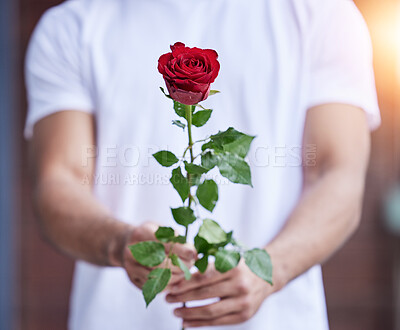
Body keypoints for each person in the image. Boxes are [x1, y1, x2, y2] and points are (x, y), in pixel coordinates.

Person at [25, 0, 380, 329]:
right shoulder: (72, 26)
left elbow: (338, 174)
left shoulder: (321, 12)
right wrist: (120, 243)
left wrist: (270, 269)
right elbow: (59, 180)